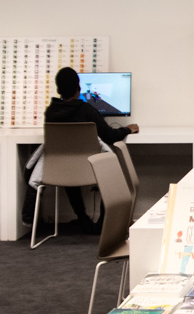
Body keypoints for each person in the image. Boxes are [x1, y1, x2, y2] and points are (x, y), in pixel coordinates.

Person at [28, 67, 140, 233]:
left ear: (58, 89)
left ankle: (82, 218)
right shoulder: (87, 110)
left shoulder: (51, 112)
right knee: (111, 168)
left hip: (60, 170)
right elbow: (110, 136)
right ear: (78, 88)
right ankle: (103, 222)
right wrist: (127, 129)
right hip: (90, 169)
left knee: (69, 166)